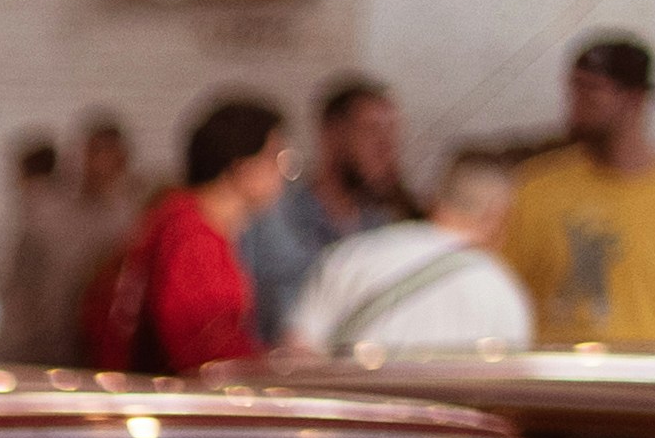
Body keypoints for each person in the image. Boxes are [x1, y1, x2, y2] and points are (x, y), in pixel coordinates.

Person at [89, 97, 285, 375]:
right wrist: (275, 368)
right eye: (277, 157)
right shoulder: (193, 236)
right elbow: (203, 355)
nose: (284, 173)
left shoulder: (183, 221)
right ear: (242, 164)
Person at [291, 146, 536, 360]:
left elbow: (297, 355)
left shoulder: (352, 255)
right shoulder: (501, 289)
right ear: (498, 215)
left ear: (435, 200)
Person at [505, 36, 655, 348]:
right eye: (574, 88)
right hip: (557, 383)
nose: (576, 103)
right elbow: (502, 290)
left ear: (633, 98)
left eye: (592, 90)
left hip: (640, 384)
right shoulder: (536, 188)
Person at [242, 73, 405, 346]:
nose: (385, 147)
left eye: (391, 132)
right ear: (331, 134)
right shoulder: (273, 218)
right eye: (371, 131)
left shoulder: (385, 232)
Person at [2, 117, 134, 365]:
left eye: (106, 154)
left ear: (121, 160)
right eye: (92, 152)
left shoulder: (129, 222)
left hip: (90, 355)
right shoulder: (44, 213)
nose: (97, 164)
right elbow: (17, 281)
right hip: (31, 349)